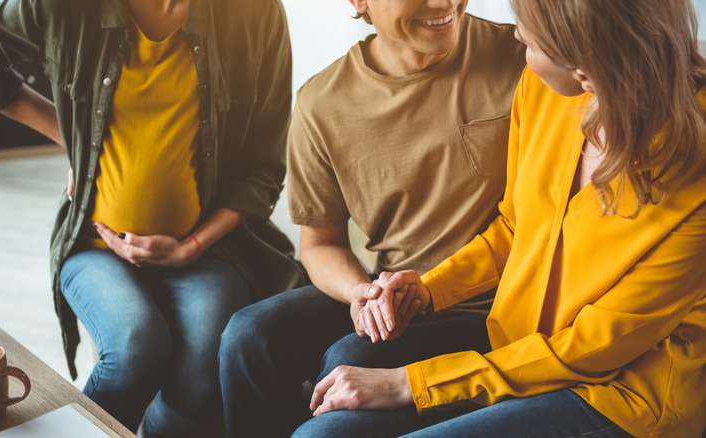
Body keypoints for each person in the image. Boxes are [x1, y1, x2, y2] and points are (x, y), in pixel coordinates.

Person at [295, 0, 706, 436]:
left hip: (619, 393)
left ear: (586, 68)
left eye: (530, 40)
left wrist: (409, 384)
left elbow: (592, 349)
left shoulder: (694, 169)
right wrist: (428, 290)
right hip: (515, 345)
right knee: (331, 419)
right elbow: (514, 228)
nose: (516, 37)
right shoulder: (544, 87)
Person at [0, 0, 303, 436]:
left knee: (204, 366)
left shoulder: (256, 13)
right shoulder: (63, 6)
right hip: (92, 246)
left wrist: (192, 246)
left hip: (208, 247)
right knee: (137, 347)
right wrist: (78, 141)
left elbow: (263, 165)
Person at [218, 0, 527, 436]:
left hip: (490, 306)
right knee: (247, 336)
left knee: (351, 356)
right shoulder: (321, 103)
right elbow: (321, 244)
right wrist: (361, 293)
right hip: (393, 295)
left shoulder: (524, 58)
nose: (442, 3)